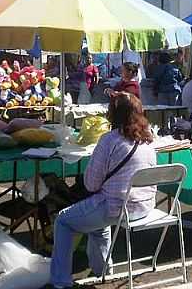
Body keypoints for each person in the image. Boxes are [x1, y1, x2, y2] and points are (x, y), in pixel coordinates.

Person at [49, 93, 156, 288]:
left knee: (63, 220)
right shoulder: (149, 141)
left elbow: (91, 184)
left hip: (116, 207)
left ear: (112, 115)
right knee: (98, 223)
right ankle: (103, 270)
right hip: (144, 206)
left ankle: (60, 282)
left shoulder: (108, 140)